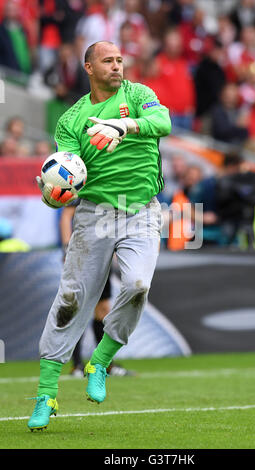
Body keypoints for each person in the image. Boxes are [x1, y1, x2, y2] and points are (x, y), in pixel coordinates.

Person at [27, 40, 171, 431]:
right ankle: (45, 395)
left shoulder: (139, 94)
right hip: (95, 215)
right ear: (88, 67)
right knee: (72, 300)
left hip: (141, 210)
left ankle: (101, 360)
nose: (117, 66)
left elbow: (164, 123)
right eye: (107, 60)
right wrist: (55, 195)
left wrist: (123, 125)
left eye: (120, 59)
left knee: (138, 285)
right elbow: (66, 172)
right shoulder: (70, 120)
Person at [59, 202, 135, 377]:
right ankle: (77, 365)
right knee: (79, 309)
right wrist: (67, 248)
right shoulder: (83, 183)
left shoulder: (109, 186)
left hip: (102, 255)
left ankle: (105, 363)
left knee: (102, 309)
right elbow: (66, 215)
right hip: (83, 254)